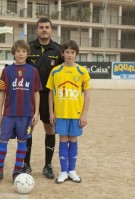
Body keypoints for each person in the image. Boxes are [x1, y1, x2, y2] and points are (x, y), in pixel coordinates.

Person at [0, 40, 42, 186]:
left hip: (26, 114)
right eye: (18, 51)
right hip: (9, 114)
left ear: (27, 53)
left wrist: (36, 113)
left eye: (23, 51)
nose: (21, 54)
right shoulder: (6, 71)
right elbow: (1, 93)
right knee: (2, 141)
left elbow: (36, 92)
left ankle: (17, 171)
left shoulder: (33, 70)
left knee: (22, 142)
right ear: (14, 53)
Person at [23, 17, 64, 179]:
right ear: (37, 30)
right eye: (41, 27)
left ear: (51, 30)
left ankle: (48, 165)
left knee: (49, 128)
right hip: (30, 95)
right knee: (29, 128)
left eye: (47, 27)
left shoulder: (58, 50)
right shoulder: (28, 48)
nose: (44, 30)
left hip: (49, 96)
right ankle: (26, 164)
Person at [46, 40, 91, 184]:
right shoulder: (56, 71)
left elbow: (87, 93)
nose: (70, 55)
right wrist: (51, 112)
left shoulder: (82, 71)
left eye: (72, 52)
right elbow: (51, 93)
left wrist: (84, 114)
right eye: (67, 52)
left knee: (73, 140)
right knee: (63, 140)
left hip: (76, 114)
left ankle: (72, 171)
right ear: (63, 53)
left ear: (76, 54)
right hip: (61, 114)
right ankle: (63, 171)